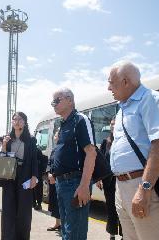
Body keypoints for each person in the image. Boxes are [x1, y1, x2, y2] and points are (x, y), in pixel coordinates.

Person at [108, 61, 159, 240]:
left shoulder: (152, 99)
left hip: (144, 185)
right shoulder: (122, 110)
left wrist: (144, 189)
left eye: (111, 82)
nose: (108, 88)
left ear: (125, 82)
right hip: (122, 186)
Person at [51, 87, 97, 240]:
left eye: (57, 100)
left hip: (75, 183)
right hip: (61, 183)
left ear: (70, 100)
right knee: (66, 231)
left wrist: (84, 186)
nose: (53, 104)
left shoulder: (80, 120)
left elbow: (91, 152)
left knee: (74, 233)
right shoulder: (62, 124)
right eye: (53, 101)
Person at [1, 111, 38, 240]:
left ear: (25, 122)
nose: (17, 121)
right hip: (10, 175)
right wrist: (4, 145)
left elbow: (34, 159)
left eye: (20, 119)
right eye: (14, 119)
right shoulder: (8, 138)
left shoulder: (31, 139)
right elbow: (3, 158)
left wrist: (34, 176)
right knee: (8, 209)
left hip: (25, 175)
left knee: (24, 210)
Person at [96, 119, 122, 240]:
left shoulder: (124, 140)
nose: (112, 126)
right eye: (111, 124)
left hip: (122, 181)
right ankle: (112, 234)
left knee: (123, 209)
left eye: (115, 124)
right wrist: (98, 179)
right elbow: (100, 162)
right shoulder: (105, 142)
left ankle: (124, 234)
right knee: (111, 208)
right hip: (108, 182)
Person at [46, 130, 61, 232]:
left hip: (60, 180)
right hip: (52, 180)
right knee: (54, 202)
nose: (55, 137)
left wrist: (54, 175)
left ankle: (64, 224)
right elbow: (49, 163)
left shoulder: (64, 148)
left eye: (56, 135)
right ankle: (57, 223)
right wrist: (48, 174)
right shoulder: (54, 149)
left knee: (61, 202)